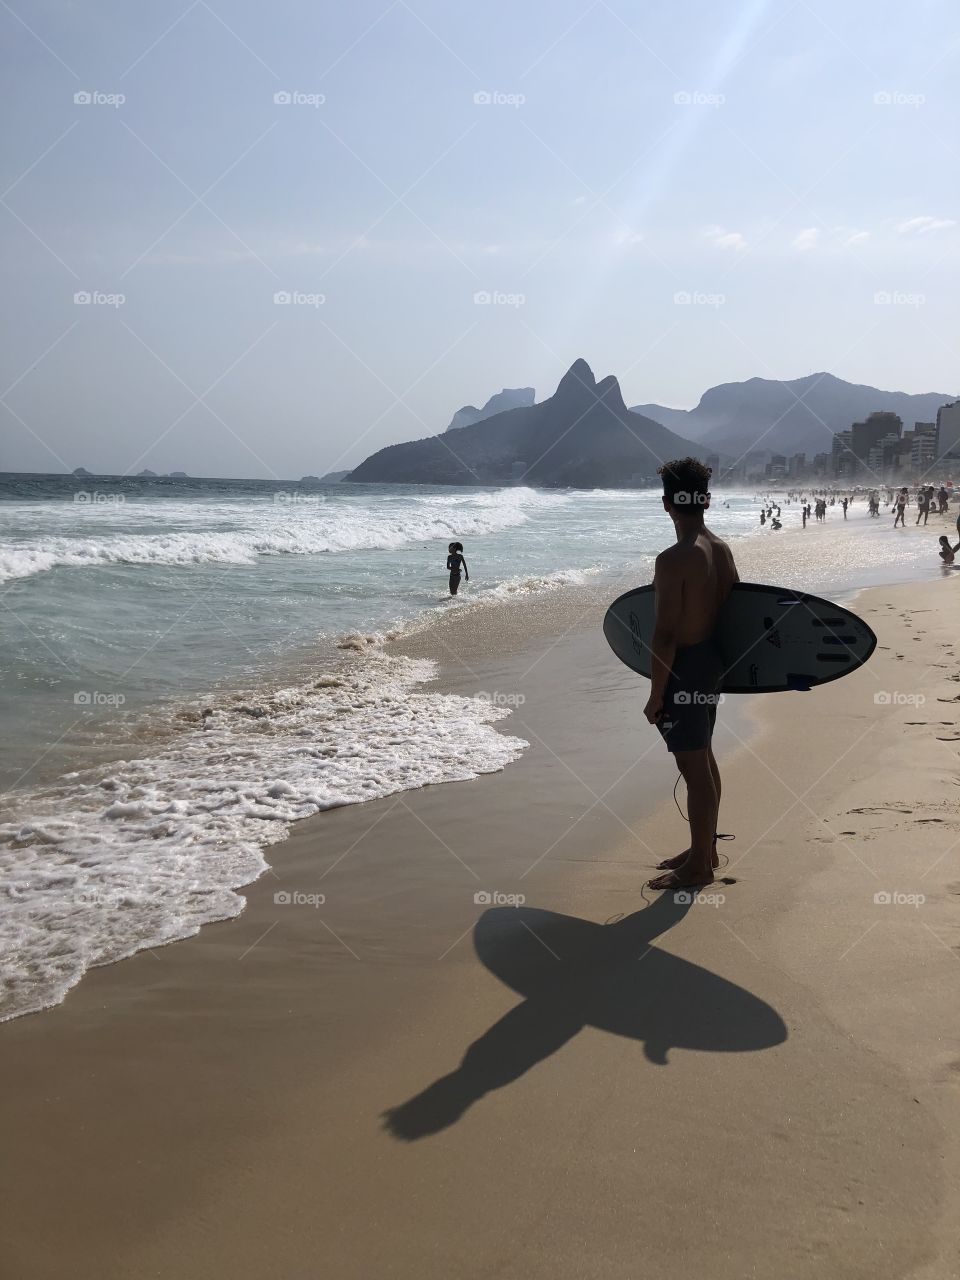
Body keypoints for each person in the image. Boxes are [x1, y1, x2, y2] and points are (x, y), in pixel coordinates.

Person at [643, 457, 739, 892]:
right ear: (706, 500)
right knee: (704, 758)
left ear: (666, 505)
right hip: (712, 662)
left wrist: (655, 693)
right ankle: (706, 849)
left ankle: (700, 867)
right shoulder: (720, 549)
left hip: (685, 669)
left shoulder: (674, 559)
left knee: (693, 766)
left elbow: (664, 636)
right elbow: (735, 614)